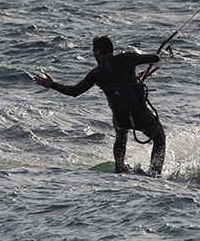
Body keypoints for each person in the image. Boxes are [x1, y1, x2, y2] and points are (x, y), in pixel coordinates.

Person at [34, 36, 166, 176]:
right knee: (160, 139)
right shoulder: (127, 58)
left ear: (97, 51)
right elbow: (155, 59)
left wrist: (52, 85)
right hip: (140, 115)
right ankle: (155, 173)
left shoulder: (96, 73)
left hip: (121, 118)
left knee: (121, 135)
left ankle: (120, 167)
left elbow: (74, 92)